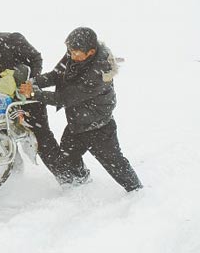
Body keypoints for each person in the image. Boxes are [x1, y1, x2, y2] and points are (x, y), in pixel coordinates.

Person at [19, 27, 142, 192]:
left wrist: (34, 93)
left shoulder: (99, 73)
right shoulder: (73, 55)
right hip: (78, 121)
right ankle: (81, 181)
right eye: (70, 51)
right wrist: (34, 82)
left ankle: (137, 191)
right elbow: (56, 75)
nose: (72, 55)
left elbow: (64, 98)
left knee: (114, 163)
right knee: (68, 154)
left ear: (91, 52)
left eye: (76, 53)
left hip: (98, 126)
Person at [0, 22, 59, 168]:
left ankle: (66, 175)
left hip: (26, 99)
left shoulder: (13, 39)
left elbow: (36, 58)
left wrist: (29, 83)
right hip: (2, 102)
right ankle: (15, 176)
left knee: (41, 137)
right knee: (4, 140)